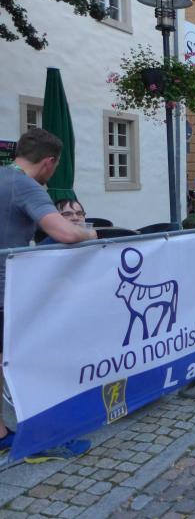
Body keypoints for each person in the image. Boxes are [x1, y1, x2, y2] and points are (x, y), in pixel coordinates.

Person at [0, 128, 95, 459]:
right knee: (30, 360)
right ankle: (42, 440)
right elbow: (65, 233)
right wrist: (90, 234)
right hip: (7, 293)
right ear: (49, 162)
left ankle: (1, 436)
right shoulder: (24, 185)